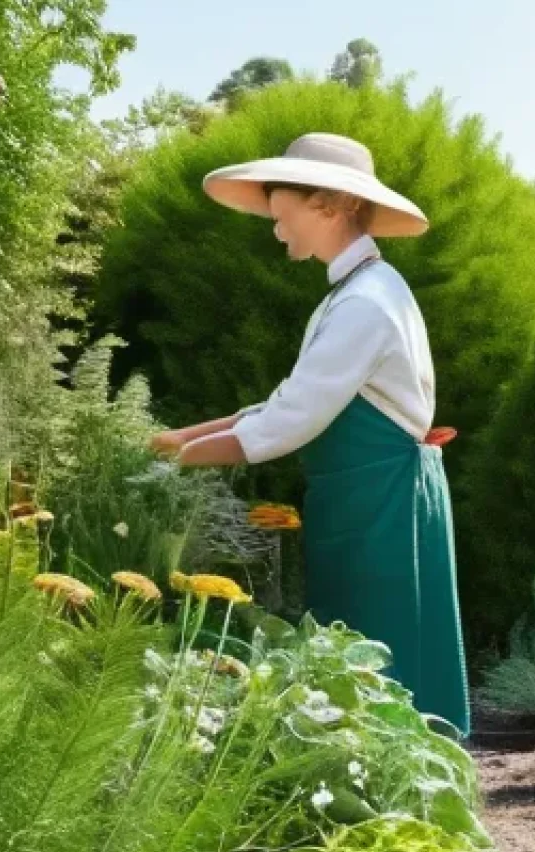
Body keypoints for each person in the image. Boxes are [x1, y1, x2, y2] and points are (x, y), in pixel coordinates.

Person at [149, 133, 470, 736]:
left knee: (383, 657)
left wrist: (181, 460)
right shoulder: (355, 292)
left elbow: (290, 419)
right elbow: (282, 402)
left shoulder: (367, 303)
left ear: (329, 203)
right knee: (356, 658)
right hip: (361, 499)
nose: (275, 232)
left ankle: (401, 804)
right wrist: (177, 439)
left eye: (281, 216)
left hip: (382, 504)